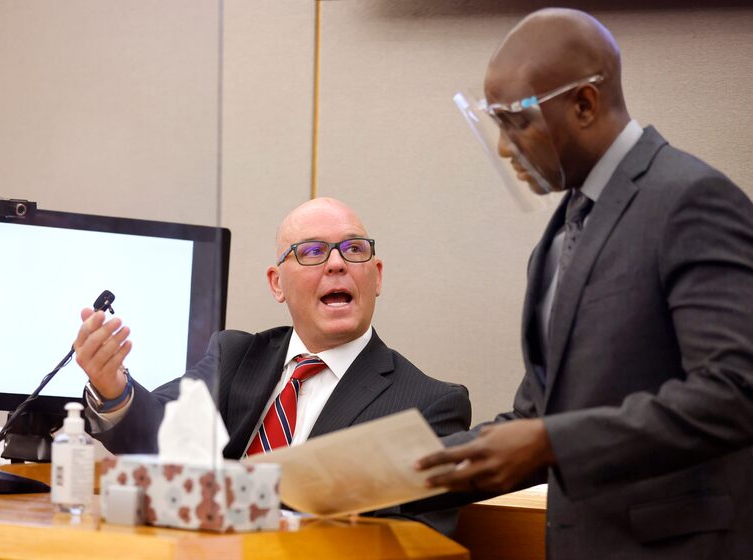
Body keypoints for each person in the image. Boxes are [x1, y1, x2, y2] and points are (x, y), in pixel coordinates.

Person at [417, 8, 753, 558]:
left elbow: (735, 392)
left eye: (516, 122)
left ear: (584, 104)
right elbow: (536, 417)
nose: (504, 148)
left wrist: (551, 442)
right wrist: (392, 475)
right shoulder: (559, 234)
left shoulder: (689, 200)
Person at [74, 197, 471, 534]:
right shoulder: (236, 356)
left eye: (354, 249)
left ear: (376, 275)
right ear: (276, 283)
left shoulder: (429, 405)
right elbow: (159, 434)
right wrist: (113, 386)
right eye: (312, 252)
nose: (337, 264)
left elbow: (415, 543)